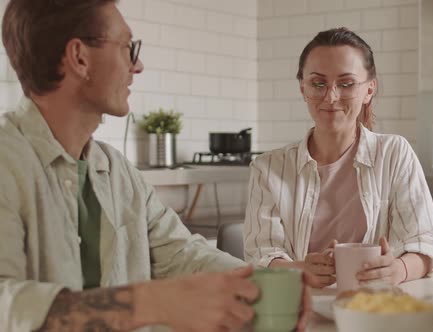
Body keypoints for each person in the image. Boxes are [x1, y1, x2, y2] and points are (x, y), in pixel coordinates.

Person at [0, 1, 309, 331]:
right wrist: (150, 302)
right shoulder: (8, 162)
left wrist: (268, 284)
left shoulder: (116, 170)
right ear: (79, 57)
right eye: (126, 48)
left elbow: (182, 254)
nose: (138, 65)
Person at [244, 27, 433, 289]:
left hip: (376, 310)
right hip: (300, 310)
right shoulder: (267, 168)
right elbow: (261, 254)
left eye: (346, 83)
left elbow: (426, 244)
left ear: (369, 90)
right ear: (303, 88)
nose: (331, 97)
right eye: (318, 84)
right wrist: (299, 270)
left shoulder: (395, 153)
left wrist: (398, 270)